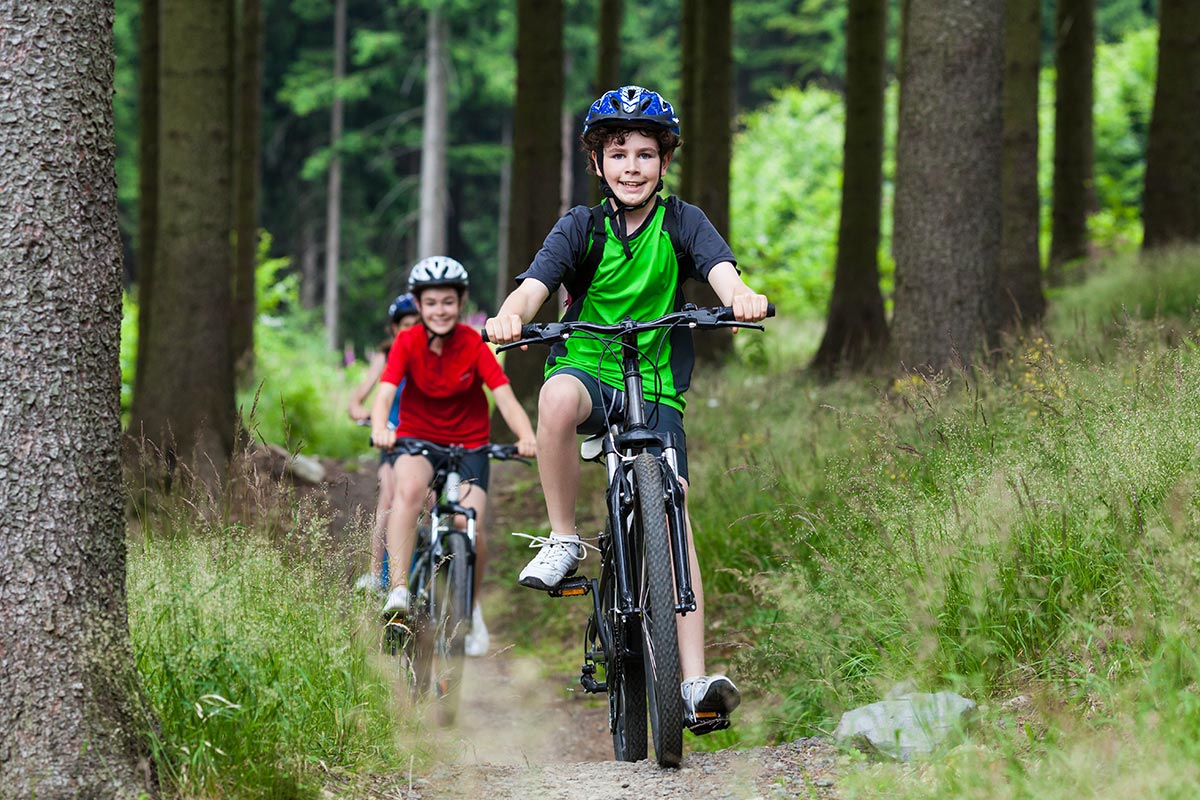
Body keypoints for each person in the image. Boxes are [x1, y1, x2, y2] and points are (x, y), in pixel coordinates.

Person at [484, 86, 770, 727]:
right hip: (590, 371)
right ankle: (563, 538)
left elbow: (721, 271)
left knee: (675, 506)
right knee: (555, 395)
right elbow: (534, 287)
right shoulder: (580, 227)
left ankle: (692, 683)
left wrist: (741, 296)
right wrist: (509, 315)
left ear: (664, 162)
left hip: (656, 385)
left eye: (645, 154)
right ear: (597, 163)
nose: (632, 167)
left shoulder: (683, 222)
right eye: (618, 154)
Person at [370, 256, 537, 658]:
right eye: (431, 303)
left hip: (470, 446)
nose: (440, 310)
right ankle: (398, 592)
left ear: (461, 302)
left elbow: (504, 397)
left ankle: (471, 608)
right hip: (417, 440)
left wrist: (527, 436)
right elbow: (386, 392)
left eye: (448, 301)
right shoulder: (407, 343)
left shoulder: (473, 343)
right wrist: (380, 428)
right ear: (419, 305)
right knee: (408, 492)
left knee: (468, 522)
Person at [348, 292, 421, 597]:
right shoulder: (386, 355)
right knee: (388, 500)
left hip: (425, 439)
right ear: (394, 328)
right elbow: (357, 399)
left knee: (430, 500)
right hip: (392, 439)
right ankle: (376, 574)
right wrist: (361, 413)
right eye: (406, 324)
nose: (412, 330)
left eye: (417, 324)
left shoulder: (431, 352)